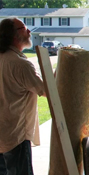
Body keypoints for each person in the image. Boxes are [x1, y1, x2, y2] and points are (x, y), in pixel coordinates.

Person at [0, 17, 46, 175]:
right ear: (13, 36)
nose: (29, 32)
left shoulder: (3, 58)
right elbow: (46, 91)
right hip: (15, 137)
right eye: (24, 28)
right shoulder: (20, 64)